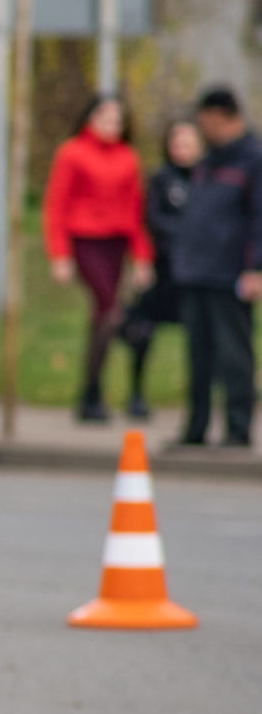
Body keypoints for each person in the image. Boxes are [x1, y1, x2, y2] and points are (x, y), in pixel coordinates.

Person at [43, 95, 154, 423]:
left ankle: (91, 393)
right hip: (85, 240)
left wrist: (141, 256)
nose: (111, 126)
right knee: (110, 310)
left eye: (117, 121)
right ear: (90, 119)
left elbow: (135, 210)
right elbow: (56, 204)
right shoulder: (72, 153)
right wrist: (59, 254)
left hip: (116, 242)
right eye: (105, 118)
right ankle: (92, 389)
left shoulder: (128, 158)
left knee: (104, 317)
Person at [172, 88, 262, 448]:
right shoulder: (208, 162)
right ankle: (196, 428)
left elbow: (259, 218)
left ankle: (238, 429)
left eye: (204, 121)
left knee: (233, 354)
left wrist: (255, 268)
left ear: (222, 117)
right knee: (198, 354)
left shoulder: (253, 159)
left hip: (231, 274)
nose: (200, 128)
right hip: (196, 271)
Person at [118, 120, 203, 421]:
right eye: (177, 143)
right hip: (164, 268)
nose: (182, 149)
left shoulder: (210, 178)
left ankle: (200, 403)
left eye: (189, 143)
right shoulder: (161, 179)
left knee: (202, 337)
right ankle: (136, 393)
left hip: (198, 272)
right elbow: (151, 219)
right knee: (143, 330)